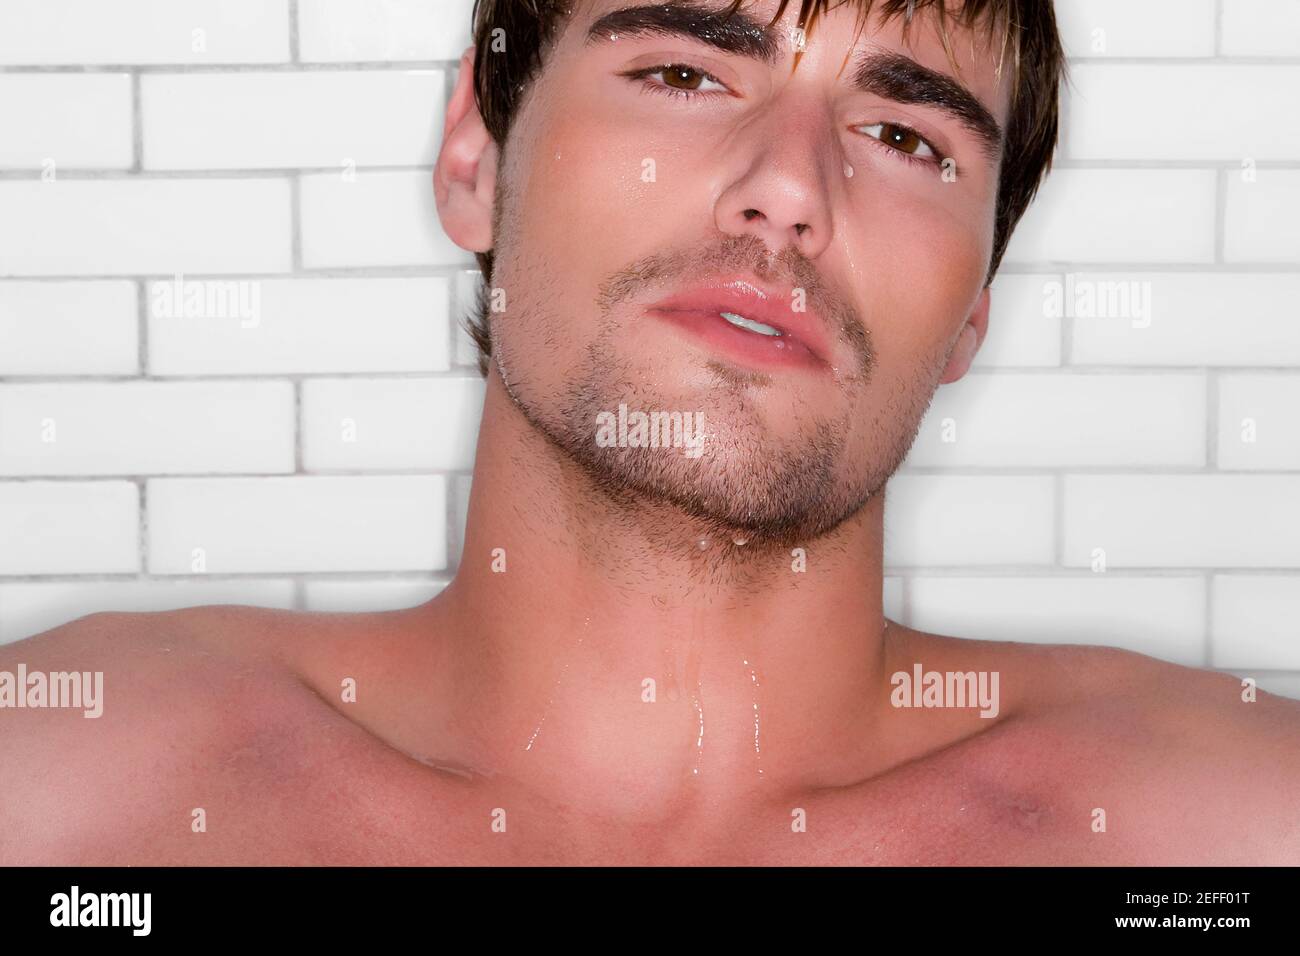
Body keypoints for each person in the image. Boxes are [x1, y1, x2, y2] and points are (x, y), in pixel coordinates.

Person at [2, 0, 1297, 866]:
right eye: (682, 73)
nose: (789, 189)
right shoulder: (71, 783)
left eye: (904, 135)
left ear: (971, 313)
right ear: (474, 158)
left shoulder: (1226, 833)